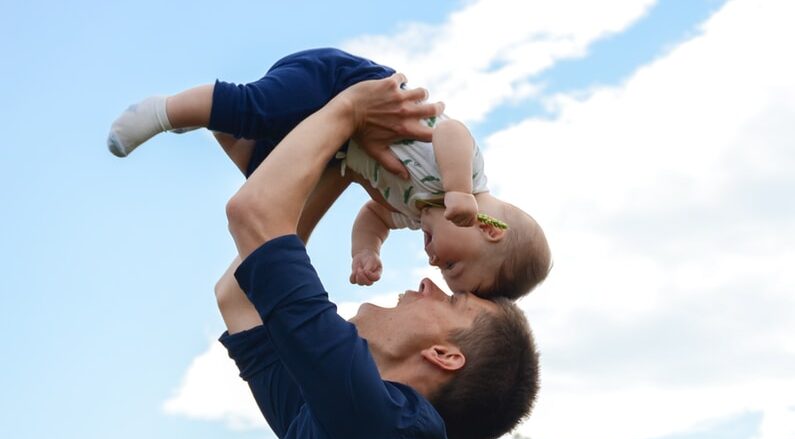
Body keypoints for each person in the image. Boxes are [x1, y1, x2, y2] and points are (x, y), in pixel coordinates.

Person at [213, 74, 540, 439]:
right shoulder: (342, 424)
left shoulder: (378, 422)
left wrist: (351, 110)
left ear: (443, 355)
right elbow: (240, 291)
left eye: (452, 300)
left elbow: (251, 215)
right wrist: (341, 167)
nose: (430, 282)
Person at [107, 48, 551, 299]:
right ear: (490, 230)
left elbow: (373, 216)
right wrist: (457, 190)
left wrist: (366, 250)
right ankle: (164, 111)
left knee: (268, 172)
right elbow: (453, 132)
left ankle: (212, 116)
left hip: (340, 139)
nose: (434, 261)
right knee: (258, 109)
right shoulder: (465, 180)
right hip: (344, 84)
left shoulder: (415, 212)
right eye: (453, 264)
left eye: (442, 270)